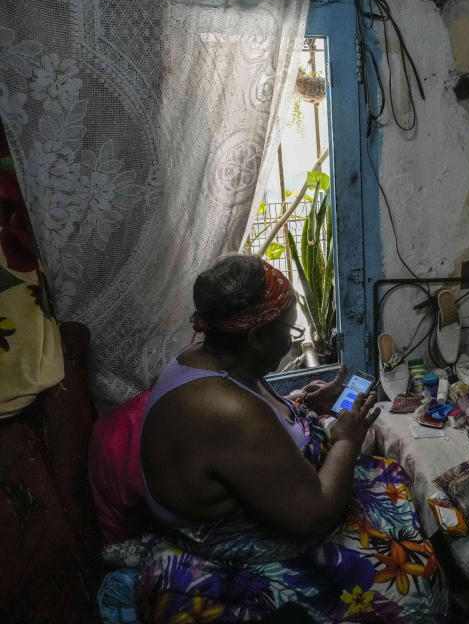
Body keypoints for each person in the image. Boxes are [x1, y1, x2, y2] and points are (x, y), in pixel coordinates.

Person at [137, 255, 447, 622]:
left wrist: (301, 402)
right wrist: (346, 439)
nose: (292, 339)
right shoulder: (227, 412)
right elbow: (312, 517)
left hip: (269, 496)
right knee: (416, 585)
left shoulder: (214, 359)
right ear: (255, 337)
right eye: (289, 331)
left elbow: (257, 412)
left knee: (391, 475)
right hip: (235, 553)